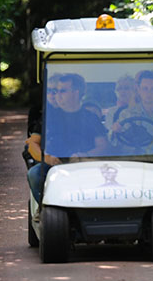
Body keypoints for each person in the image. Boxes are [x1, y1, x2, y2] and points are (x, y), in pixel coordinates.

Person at [27, 73, 108, 204]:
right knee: (34, 174)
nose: (57, 95)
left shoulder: (90, 117)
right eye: (56, 91)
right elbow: (33, 144)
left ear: (76, 92)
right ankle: (45, 210)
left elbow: (103, 145)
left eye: (62, 91)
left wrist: (85, 155)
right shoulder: (48, 116)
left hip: (85, 163)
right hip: (54, 164)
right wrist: (47, 158)